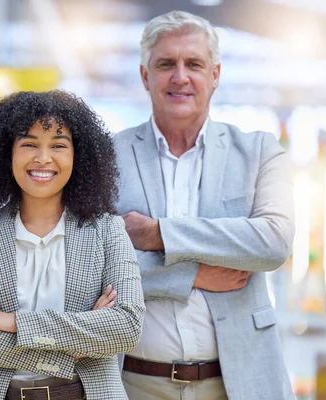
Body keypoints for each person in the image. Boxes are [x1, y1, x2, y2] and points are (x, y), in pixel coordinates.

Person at [114, 10, 295, 400]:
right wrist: (192, 275)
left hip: (238, 385)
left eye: (193, 64)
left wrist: (156, 233)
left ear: (214, 75)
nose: (180, 76)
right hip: (130, 386)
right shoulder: (106, 157)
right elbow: (90, 266)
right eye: (166, 64)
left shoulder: (260, 152)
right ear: (146, 76)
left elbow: (273, 242)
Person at [0, 90, 145, 400]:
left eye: (58, 145)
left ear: (79, 155)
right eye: (29, 144)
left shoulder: (108, 231)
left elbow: (127, 327)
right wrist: (78, 344)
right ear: (6, 153)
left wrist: (12, 322)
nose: (43, 158)